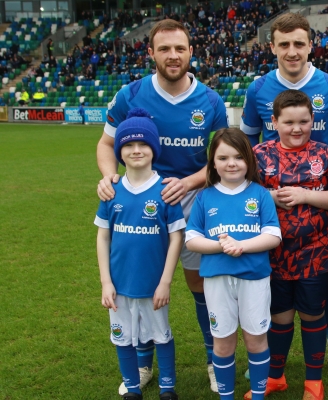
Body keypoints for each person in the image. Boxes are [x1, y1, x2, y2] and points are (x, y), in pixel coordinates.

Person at [96, 19, 228, 395]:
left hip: (194, 200)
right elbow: (106, 145)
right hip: (140, 202)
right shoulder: (130, 95)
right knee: (140, 283)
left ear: (191, 52)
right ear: (151, 53)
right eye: (165, 49)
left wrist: (188, 182)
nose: (173, 56)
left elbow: (222, 158)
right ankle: (142, 366)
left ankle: (214, 360)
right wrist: (110, 178)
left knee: (201, 285)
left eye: (180, 49)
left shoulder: (211, 100)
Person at [239, 12, 328, 382]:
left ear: (311, 45)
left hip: (320, 202)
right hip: (272, 209)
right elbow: (244, 145)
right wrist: (259, 197)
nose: (292, 51)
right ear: (272, 46)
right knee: (275, 291)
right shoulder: (258, 89)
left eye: (299, 44)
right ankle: (272, 366)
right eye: (284, 44)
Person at [253, 90, 328, 400]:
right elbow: (239, 193)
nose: (297, 128)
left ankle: (313, 383)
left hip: (316, 252)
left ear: (313, 120)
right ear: (274, 122)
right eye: (289, 122)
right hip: (272, 254)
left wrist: (305, 195)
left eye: (304, 121)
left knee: (312, 315)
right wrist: (269, 197)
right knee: (279, 316)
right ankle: (275, 377)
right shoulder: (259, 154)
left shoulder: (326, 154)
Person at [186, 128, 282, 400]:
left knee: (255, 339)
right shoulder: (204, 197)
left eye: (239, 157)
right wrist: (220, 246)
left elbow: (273, 235)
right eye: (223, 157)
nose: (231, 163)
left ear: (249, 161)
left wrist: (242, 246)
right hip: (216, 279)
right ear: (213, 163)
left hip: (254, 278)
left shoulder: (260, 194)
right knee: (223, 341)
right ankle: (226, 396)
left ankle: (259, 394)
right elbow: (192, 239)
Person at [95, 108, 185, 400]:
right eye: (128, 145)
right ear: (119, 151)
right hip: (119, 285)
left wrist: (165, 282)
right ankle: (132, 388)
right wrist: (106, 282)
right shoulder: (112, 191)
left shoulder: (165, 190)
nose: (136, 150)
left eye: (143, 144)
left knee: (161, 335)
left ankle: (167, 387)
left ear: (154, 148)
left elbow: (176, 238)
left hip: (153, 285)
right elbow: (103, 236)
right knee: (122, 337)